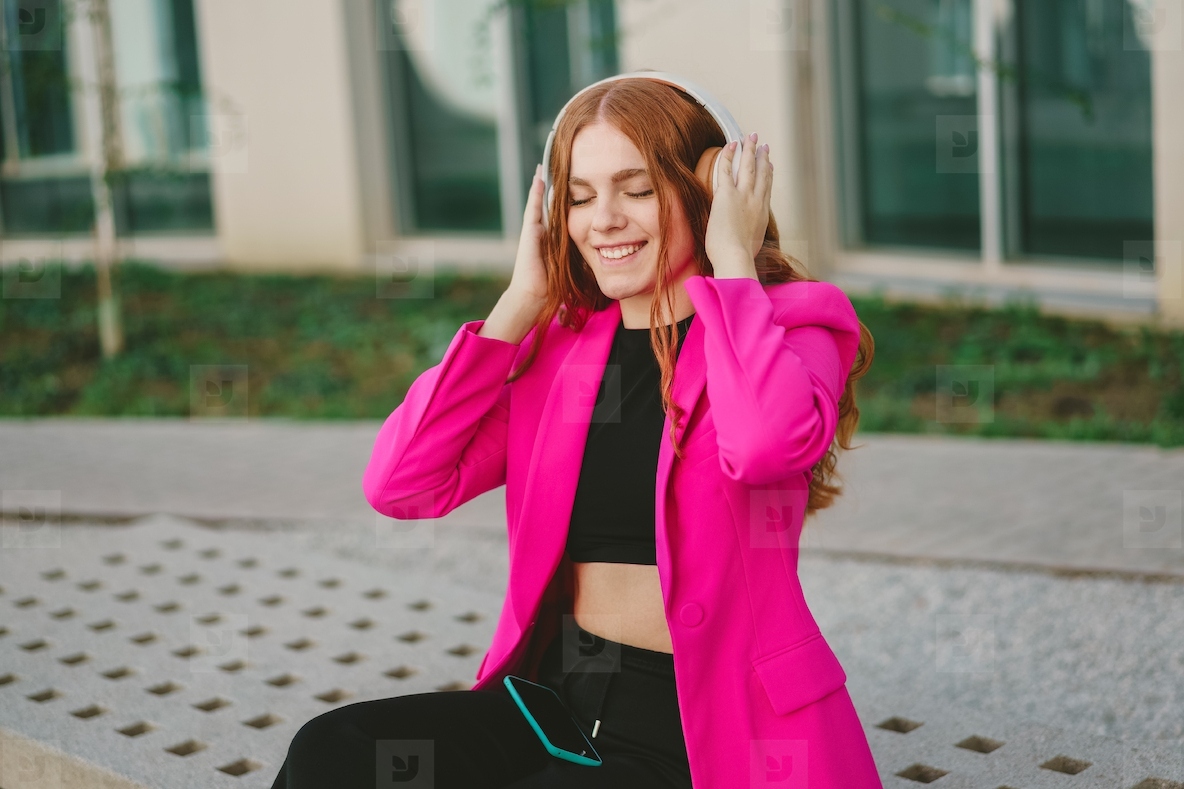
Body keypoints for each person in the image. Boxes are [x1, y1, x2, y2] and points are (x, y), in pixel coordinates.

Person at [269, 72, 882, 788]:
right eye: (582, 197)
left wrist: (735, 264)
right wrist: (520, 303)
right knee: (331, 749)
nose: (605, 219)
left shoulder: (792, 326)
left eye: (638, 188)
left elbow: (762, 444)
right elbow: (403, 483)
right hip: (556, 704)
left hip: (702, 729)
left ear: (709, 189)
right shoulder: (563, 353)